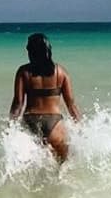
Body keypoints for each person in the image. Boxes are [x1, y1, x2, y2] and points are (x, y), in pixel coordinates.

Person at [10, 32, 81, 163]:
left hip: (30, 122)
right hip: (55, 124)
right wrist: (81, 129)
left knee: (31, 168)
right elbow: (71, 105)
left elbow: (18, 104)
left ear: (32, 52)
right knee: (62, 167)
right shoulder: (61, 72)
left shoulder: (24, 72)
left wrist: (11, 127)